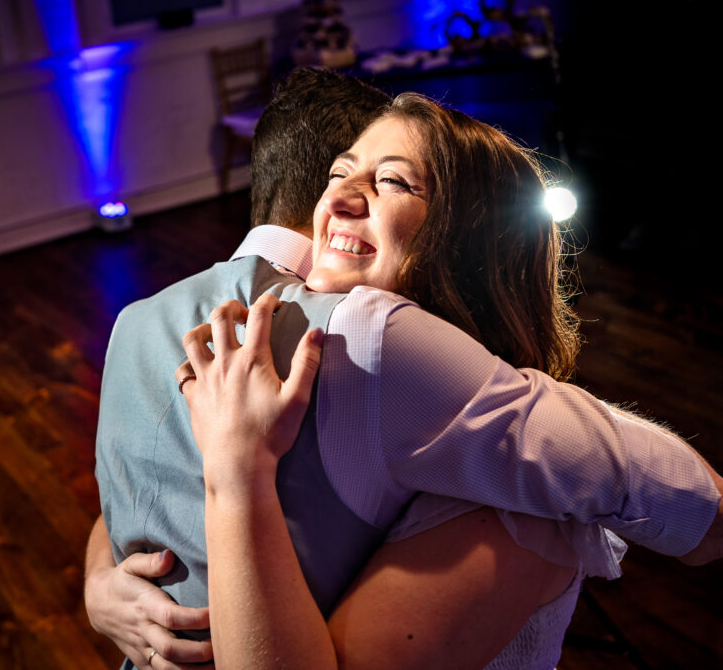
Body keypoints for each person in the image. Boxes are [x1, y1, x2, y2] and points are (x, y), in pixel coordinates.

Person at [86, 72, 723, 669]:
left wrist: (232, 469)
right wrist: (100, 583)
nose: (337, 195)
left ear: (469, 244)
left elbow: (682, 500)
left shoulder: (357, 339)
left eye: (393, 181)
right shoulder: (325, 341)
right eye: (339, 173)